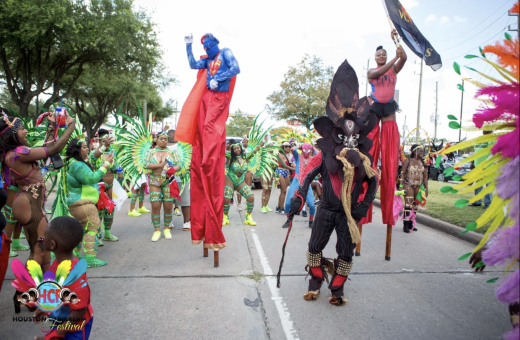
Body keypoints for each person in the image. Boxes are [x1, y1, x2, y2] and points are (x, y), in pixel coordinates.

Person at [283, 60, 378, 306]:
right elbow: (306, 177)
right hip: (325, 209)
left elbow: (373, 179)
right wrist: (299, 199)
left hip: (348, 213)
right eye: (343, 135)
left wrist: (364, 204)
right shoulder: (323, 155)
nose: (348, 141)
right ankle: (315, 282)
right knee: (314, 247)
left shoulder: (363, 159)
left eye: (353, 136)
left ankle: (337, 288)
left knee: (345, 253)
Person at [177, 32, 240, 251]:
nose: (208, 48)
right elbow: (194, 64)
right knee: (201, 134)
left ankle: (209, 159)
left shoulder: (225, 53)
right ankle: (202, 157)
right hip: (207, 97)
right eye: (205, 45)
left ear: (216, 44)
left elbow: (236, 69)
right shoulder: (208, 59)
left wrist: (218, 79)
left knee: (212, 134)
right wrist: (189, 45)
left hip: (219, 97)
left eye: (209, 45)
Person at [0, 112, 75, 272]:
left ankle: (45, 288)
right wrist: (71, 127)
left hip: (31, 202)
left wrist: (51, 126)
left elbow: (46, 148)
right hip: (29, 203)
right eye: (22, 129)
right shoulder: (18, 154)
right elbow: (54, 148)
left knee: (45, 252)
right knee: (39, 250)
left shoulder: (17, 152)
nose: (26, 131)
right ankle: (23, 292)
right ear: (12, 133)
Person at [366, 29, 407, 228]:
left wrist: (396, 41)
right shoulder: (372, 72)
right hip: (374, 110)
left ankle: (389, 211)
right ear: (375, 58)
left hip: (389, 111)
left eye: (384, 54)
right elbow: (381, 72)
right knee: (370, 155)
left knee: (390, 158)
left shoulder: (394, 69)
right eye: (379, 55)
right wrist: (393, 59)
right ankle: (364, 206)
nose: (382, 56)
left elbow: (404, 57)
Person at [32, 216, 94, 339]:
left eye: (44, 235)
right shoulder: (60, 262)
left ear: (52, 244)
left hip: (75, 327)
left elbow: (79, 312)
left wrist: (54, 335)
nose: (42, 238)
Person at [64, 139, 111, 267]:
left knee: (78, 230)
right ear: (77, 150)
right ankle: (90, 259)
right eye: (84, 147)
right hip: (83, 203)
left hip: (76, 203)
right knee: (93, 227)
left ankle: (75, 257)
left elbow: (91, 157)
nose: (87, 149)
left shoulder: (72, 162)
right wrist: (106, 164)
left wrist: (103, 148)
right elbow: (92, 178)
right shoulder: (77, 165)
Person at [144, 132, 182, 241]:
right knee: (155, 205)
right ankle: (156, 230)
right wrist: (159, 165)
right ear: (156, 139)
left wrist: (172, 169)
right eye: (161, 138)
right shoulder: (150, 152)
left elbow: (179, 164)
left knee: (168, 206)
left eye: (166, 139)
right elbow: (145, 164)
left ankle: (166, 229)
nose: (163, 140)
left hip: (168, 181)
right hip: (155, 181)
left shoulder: (172, 152)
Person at [89, 129, 120, 243]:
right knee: (99, 211)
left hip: (111, 185)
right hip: (99, 185)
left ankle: (107, 233)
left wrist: (118, 170)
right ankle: (97, 236)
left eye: (108, 140)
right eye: (104, 140)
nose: (107, 143)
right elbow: (92, 159)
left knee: (109, 209)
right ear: (100, 140)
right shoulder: (95, 152)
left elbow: (115, 168)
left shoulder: (113, 152)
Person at [223, 140, 263, 226]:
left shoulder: (245, 157)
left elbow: (255, 151)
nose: (236, 150)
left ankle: (248, 217)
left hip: (240, 181)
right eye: (234, 149)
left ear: (240, 148)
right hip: (230, 179)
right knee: (226, 198)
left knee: (251, 197)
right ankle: (225, 216)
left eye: (237, 148)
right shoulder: (230, 156)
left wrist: (261, 143)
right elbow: (220, 151)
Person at [282, 143, 317, 229]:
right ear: (302, 150)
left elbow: (319, 154)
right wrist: (300, 146)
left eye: (308, 150)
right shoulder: (298, 157)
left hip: (306, 182)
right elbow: (293, 149)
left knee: (312, 205)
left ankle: (311, 221)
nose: (306, 152)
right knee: (287, 203)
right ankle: (288, 220)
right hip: (296, 181)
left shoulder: (312, 159)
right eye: (305, 149)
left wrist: (313, 147)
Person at [400, 144, 428, 233]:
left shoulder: (422, 163)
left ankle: (411, 223)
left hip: (419, 186)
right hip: (409, 185)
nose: (421, 152)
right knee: (408, 205)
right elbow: (402, 173)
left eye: (422, 151)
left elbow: (425, 178)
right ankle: (406, 225)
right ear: (414, 151)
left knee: (415, 205)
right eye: (420, 151)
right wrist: (401, 186)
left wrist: (426, 189)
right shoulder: (408, 161)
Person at [167, 130, 191, 231]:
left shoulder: (162, 148)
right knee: (185, 202)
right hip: (182, 177)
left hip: (167, 179)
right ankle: (186, 223)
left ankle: (168, 223)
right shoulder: (184, 146)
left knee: (168, 202)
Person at [469, 130, 493, 208]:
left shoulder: (493, 140)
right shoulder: (478, 140)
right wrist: (472, 163)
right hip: (478, 167)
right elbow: (475, 153)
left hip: (488, 167)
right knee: (478, 185)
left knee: (488, 186)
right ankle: (477, 202)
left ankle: (488, 203)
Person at [275, 142, 295, 214]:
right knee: (283, 191)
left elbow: (293, 163)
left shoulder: (290, 155)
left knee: (284, 191)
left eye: (289, 146)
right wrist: (294, 169)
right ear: (282, 147)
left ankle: (278, 207)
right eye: (286, 146)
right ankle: (281, 208)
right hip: (280, 171)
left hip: (287, 172)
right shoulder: (279, 154)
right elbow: (284, 165)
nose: (288, 148)